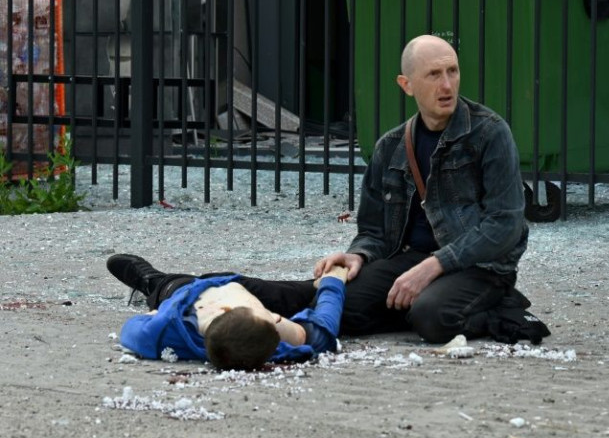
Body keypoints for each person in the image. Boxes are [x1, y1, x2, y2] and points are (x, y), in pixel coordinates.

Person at [313, 34, 550, 345]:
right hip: (413, 262)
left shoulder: (490, 133)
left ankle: (502, 308)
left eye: (452, 71)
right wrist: (359, 255)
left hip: (480, 266)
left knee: (433, 318)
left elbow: (505, 224)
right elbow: (373, 230)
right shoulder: (390, 146)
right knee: (344, 306)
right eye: (434, 74)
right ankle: (417, 302)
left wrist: (435, 265)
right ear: (406, 84)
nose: (447, 85)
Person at [108, 254, 348, 371]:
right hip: (238, 289)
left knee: (169, 288)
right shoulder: (268, 341)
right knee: (294, 294)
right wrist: (333, 282)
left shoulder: (165, 330)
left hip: (185, 291)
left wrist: (151, 315)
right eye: (274, 318)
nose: (276, 316)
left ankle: (153, 281)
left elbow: (131, 332)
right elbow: (323, 328)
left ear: (224, 309)